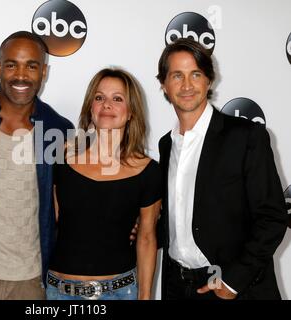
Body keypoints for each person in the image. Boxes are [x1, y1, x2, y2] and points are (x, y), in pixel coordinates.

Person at [156, 38, 288, 300]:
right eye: (176, 76)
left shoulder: (246, 136)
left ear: (209, 80)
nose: (186, 85)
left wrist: (232, 282)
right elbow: (179, 221)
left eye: (195, 74)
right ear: (164, 84)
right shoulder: (166, 145)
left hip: (233, 288)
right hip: (178, 287)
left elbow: (272, 217)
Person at [0, 31, 73, 300]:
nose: (21, 75)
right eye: (11, 65)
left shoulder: (57, 129)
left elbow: (69, 199)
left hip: (29, 282)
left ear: (44, 71)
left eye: (31, 66)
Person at [46, 68, 162, 300]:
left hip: (119, 292)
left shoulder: (148, 171)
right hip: (58, 292)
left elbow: (147, 238)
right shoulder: (62, 158)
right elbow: (50, 221)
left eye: (117, 99)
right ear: (91, 108)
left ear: (131, 113)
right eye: (99, 98)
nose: (106, 105)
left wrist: (145, 296)